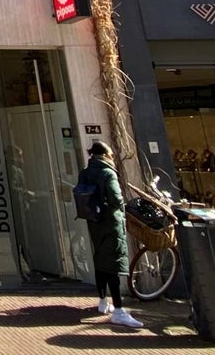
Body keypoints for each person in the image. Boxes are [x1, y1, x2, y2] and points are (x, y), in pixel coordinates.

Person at [80, 141, 144, 330]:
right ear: (106, 155)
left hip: (94, 222)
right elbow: (116, 199)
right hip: (110, 222)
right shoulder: (108, 173)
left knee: (100, 259)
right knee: (114, 264)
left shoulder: (85, 172)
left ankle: (102, 301)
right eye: (111, 153)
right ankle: (119, 310)